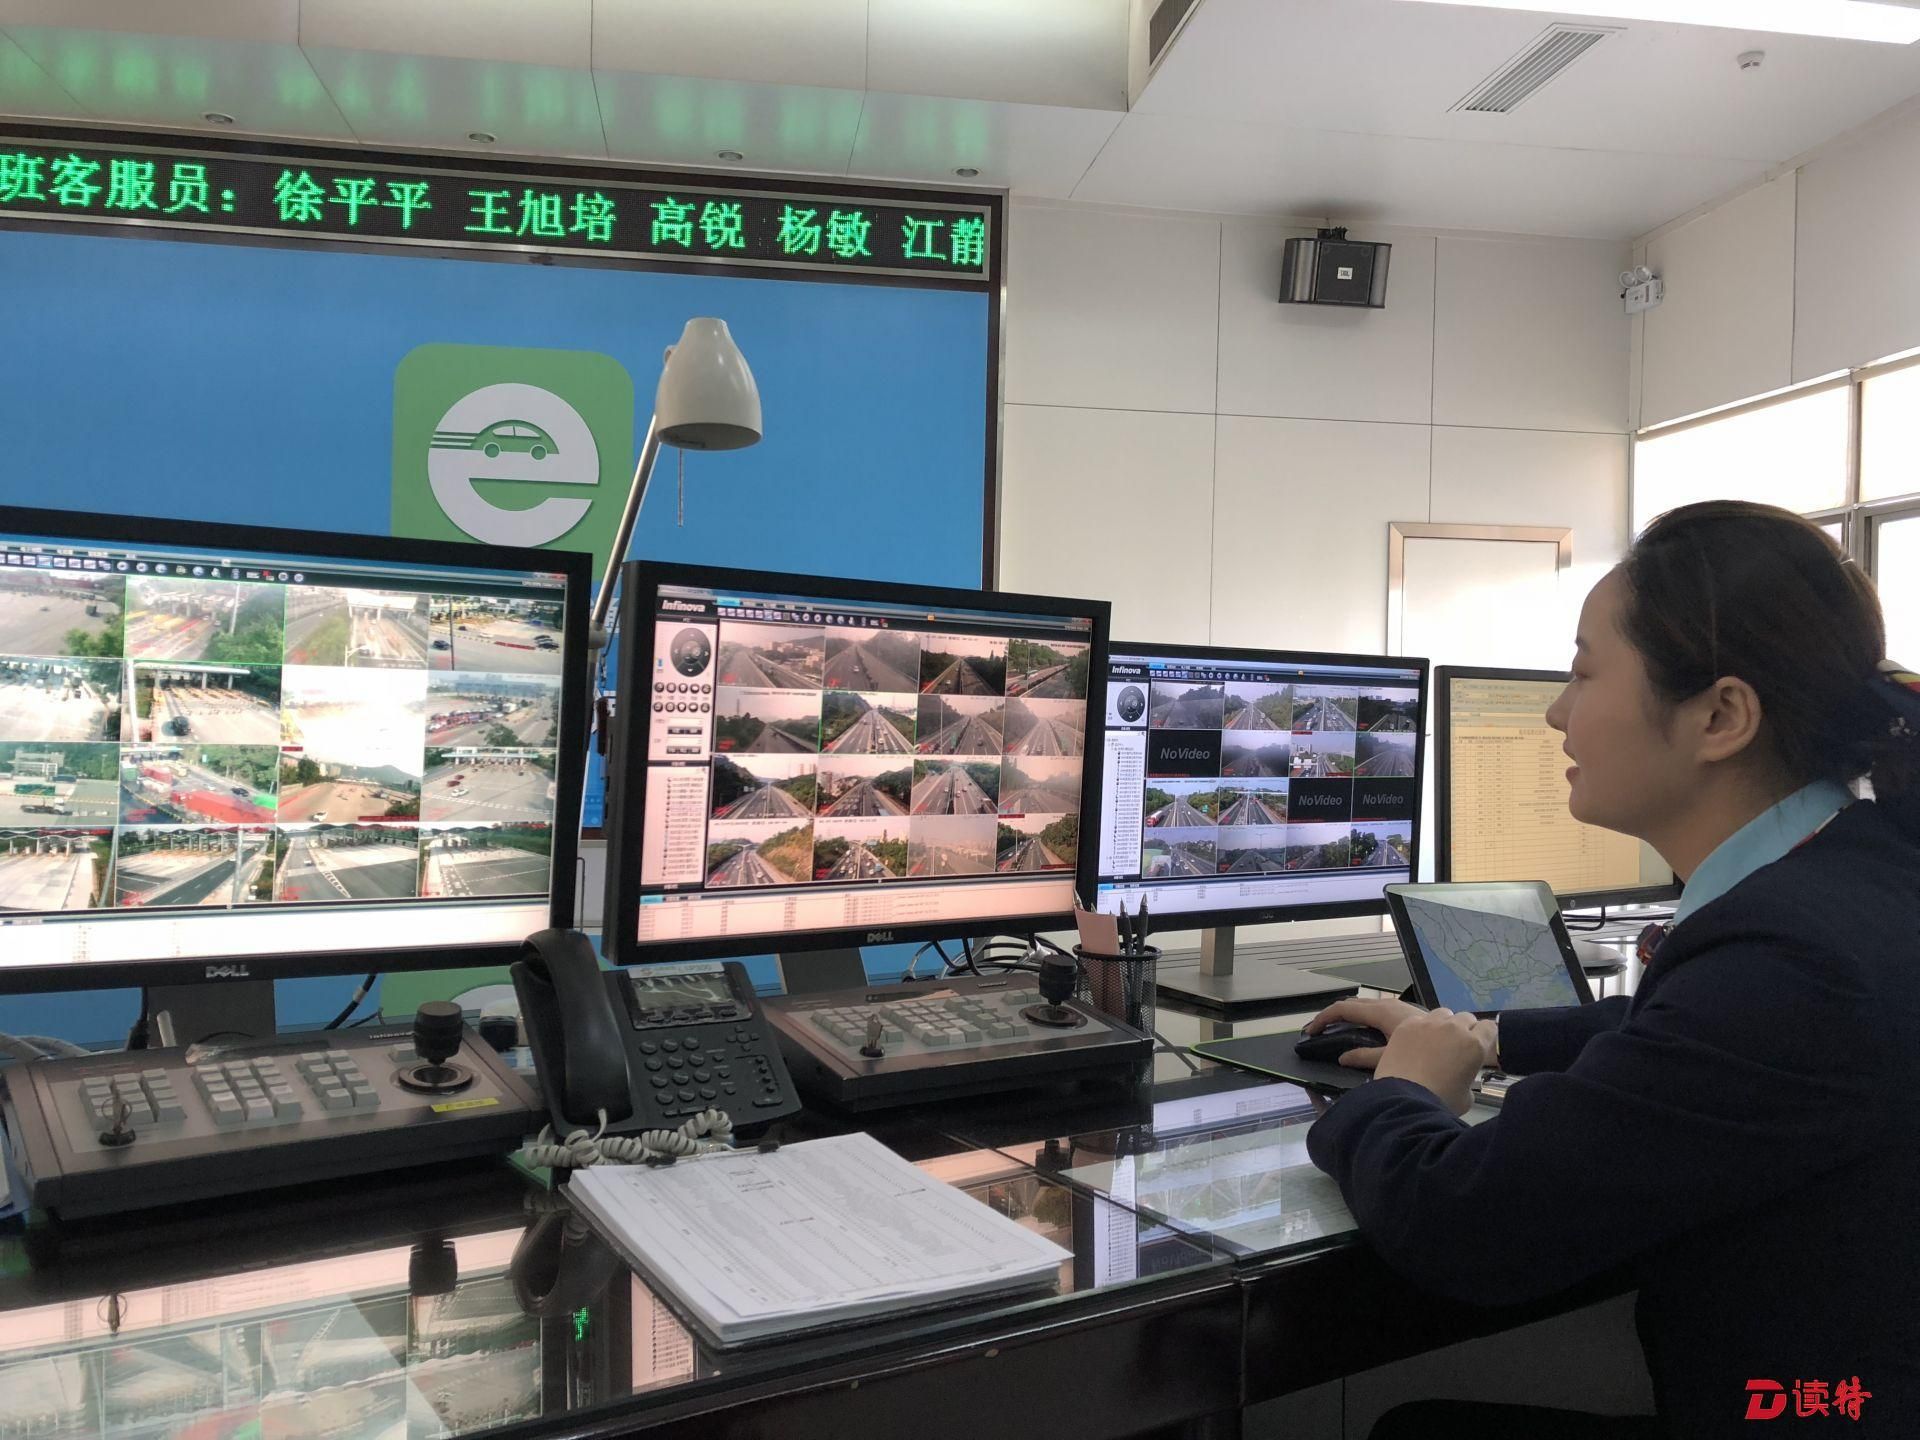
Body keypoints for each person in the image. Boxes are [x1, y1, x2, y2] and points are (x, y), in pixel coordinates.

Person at [1302, 501, 1920, 1438]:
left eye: (1584, 672)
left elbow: (1466, 1225)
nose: (1557, 712)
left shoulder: (1791, 963)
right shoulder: (1862, 874)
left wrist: (1400, 1093)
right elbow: (1689, 1035)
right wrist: (1490, 1035)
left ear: (1720, 716)